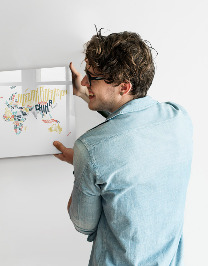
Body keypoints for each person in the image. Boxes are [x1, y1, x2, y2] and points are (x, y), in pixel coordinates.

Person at [53, 30, 193, 265]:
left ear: (124, 87)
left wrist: (81, 162)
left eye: (92, 77)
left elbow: (83, 224)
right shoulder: (179, 118)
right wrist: (86, 94)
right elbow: (133, 124)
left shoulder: (90, 149)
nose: (85, 81)